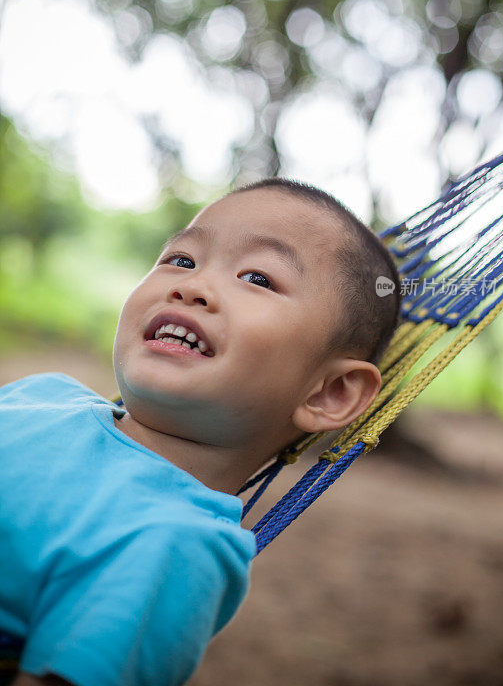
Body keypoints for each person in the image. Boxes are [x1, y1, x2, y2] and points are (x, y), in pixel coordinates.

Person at [0, 178, 401, 686]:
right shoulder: (43, 392)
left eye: (257, 278)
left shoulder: (176, 545)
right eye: (182, 260)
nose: (190, 286)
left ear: (331, 392)